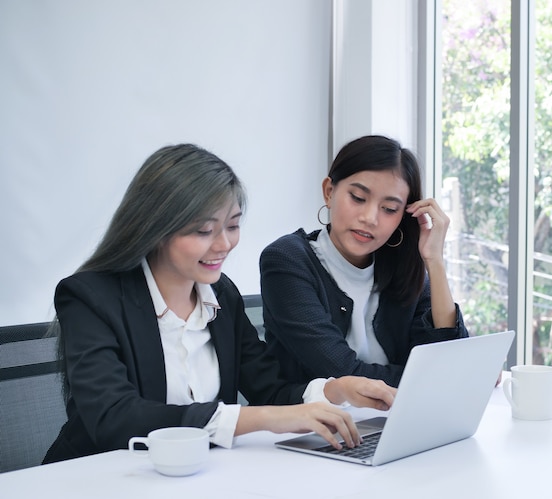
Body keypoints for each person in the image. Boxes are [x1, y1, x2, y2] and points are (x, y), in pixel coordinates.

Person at [43, 143, 396, 464]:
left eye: (233, 225)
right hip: (102, 476)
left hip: (200, 476)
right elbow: (114, 417)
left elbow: (269, 389)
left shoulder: (221, 295)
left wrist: (334, 389)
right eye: (203, 231)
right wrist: (260, 419)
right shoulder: (89, 296)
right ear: (154, 227)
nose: (224, 244)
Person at [259, 135, 469, 388]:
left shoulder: (403, 267)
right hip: (312, 424)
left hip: (395, 421)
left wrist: (435, 261)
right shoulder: (287, 261)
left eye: (389, 209)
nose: (370, 218)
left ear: (404, 215)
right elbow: (342, 372)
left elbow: (450, 357)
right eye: (358, 198)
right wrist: (442, 377)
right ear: (329, 191)